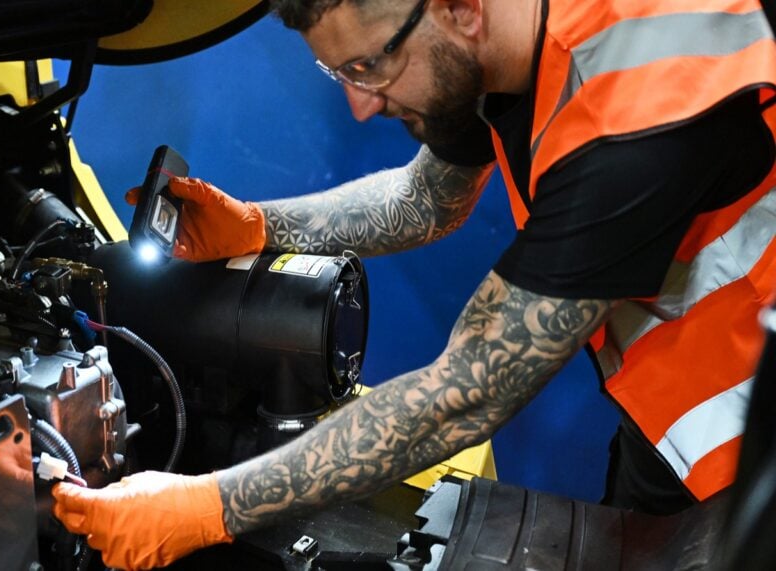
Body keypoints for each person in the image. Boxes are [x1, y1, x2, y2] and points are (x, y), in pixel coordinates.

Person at [52, 0, 776, 568]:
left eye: (367, 68)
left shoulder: (635, 111)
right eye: (341, 74)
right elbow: (426, 199)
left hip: (746, 442)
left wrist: (206, 507)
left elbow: (468, 391)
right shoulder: (496, 37)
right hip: (669, 413)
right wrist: (257, 226)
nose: (361, 106)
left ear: (459, 8)